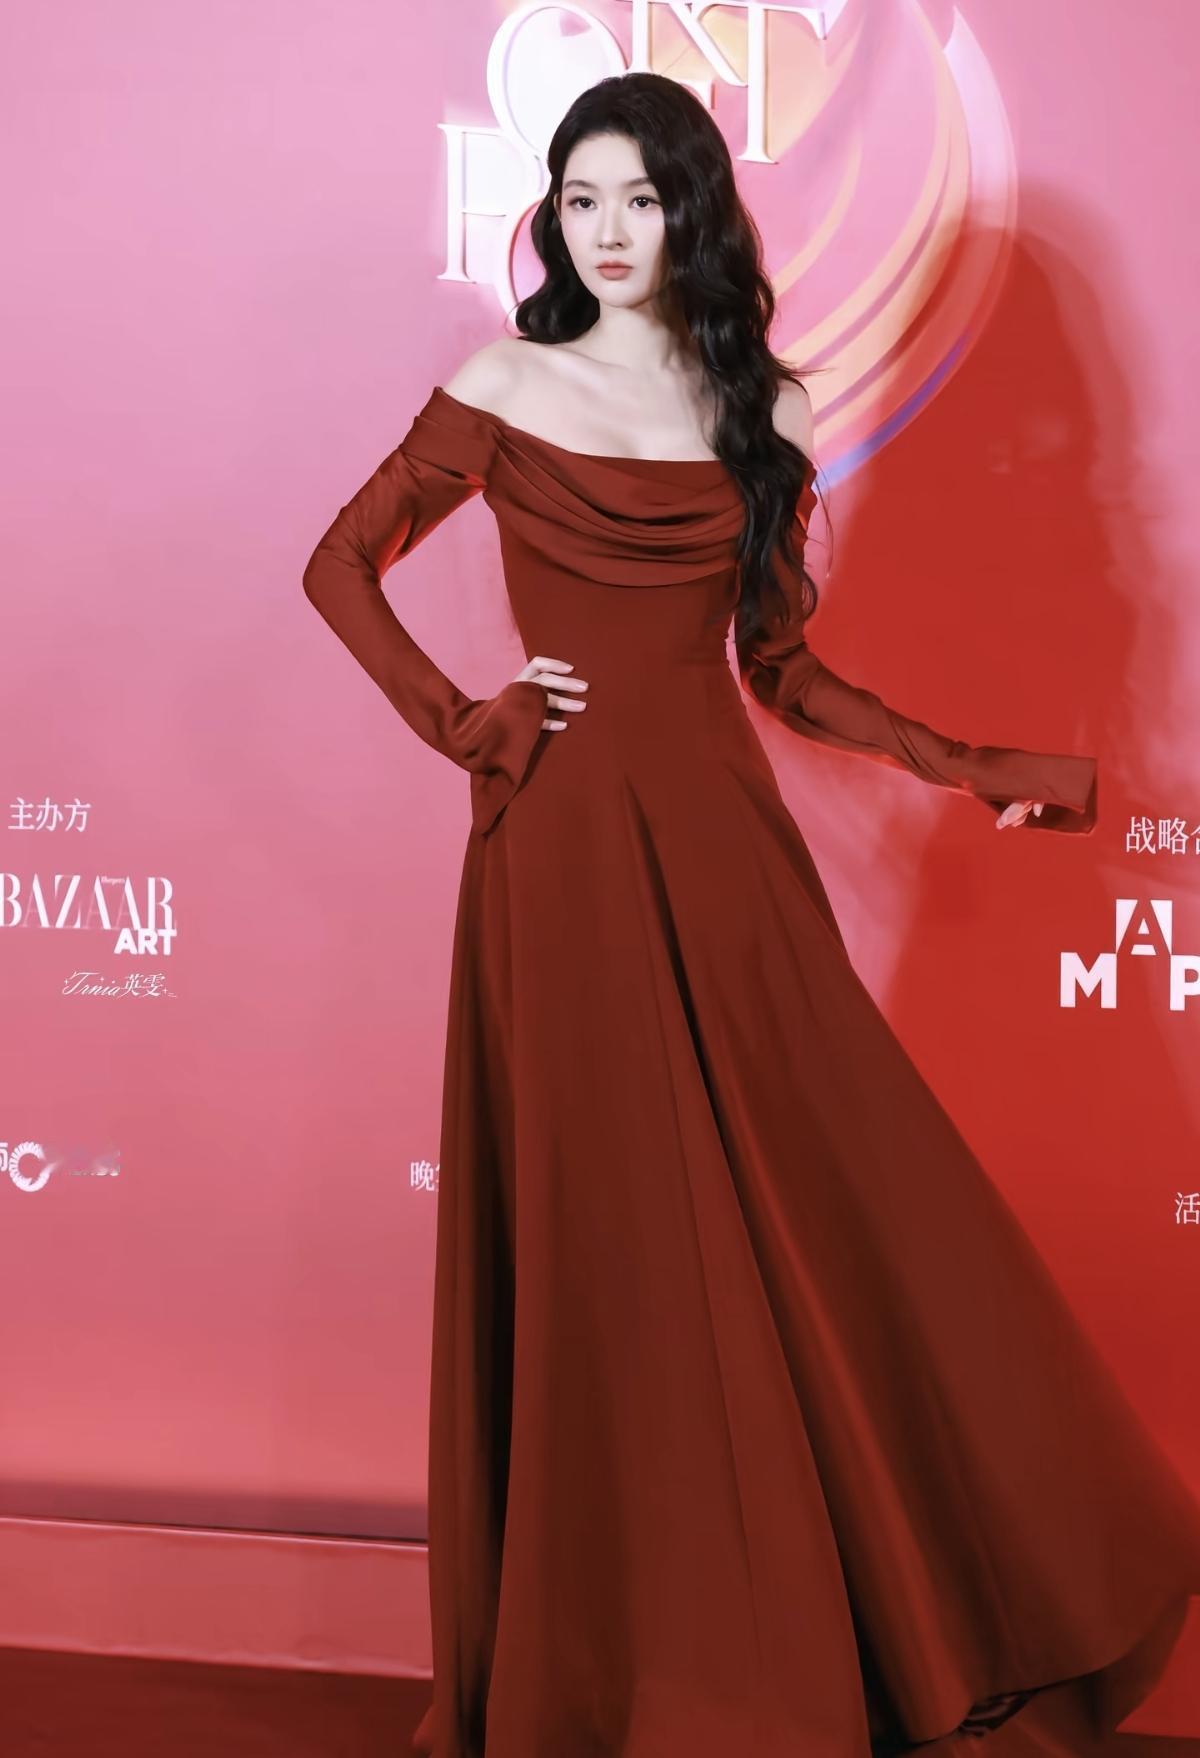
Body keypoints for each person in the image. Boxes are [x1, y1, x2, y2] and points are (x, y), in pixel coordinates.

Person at [302, 70, 1200, 1758]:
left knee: (835, 1202)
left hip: (723, 848)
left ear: (691, 211)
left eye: (639, 200)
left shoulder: (750, 407)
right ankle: (617, 1659)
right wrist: (467, 721)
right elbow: (337, 564)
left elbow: (781, 670)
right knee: (606, 1235)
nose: (605, 230)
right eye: (579, 198)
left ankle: (893, 1607)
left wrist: (963, 763)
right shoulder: (501, 382)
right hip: (561, 851)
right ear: (550, 214)